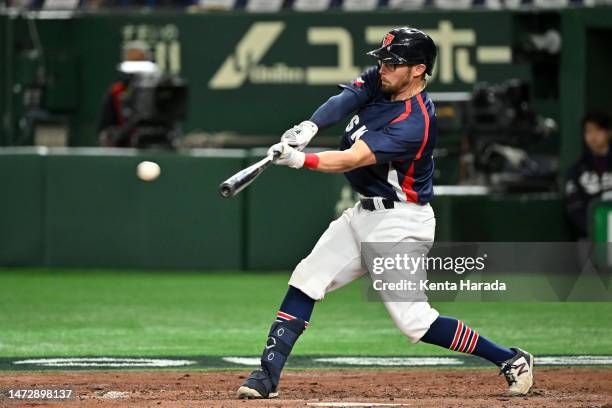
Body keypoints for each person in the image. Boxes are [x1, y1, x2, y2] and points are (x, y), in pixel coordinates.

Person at [236, 27, 534, 400]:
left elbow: (351, 158)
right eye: (384, 59)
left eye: (394, 63)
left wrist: (299, 158)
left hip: (401, 223)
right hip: (363, 213)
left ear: (418, 70)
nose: (384, 67)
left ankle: (511, 360)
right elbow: (346, 98)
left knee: (415, 323)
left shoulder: (414, 123)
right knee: (307, 278)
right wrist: (310, 127)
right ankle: (266, 376)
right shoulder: (384, 82)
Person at [565, 111, 612, 238]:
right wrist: (594, 230)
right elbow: (574, 209)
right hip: (590, 238)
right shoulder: (577, 170)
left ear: (608, 132)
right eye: (588, 131)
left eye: (598, 130)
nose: (593, 136)